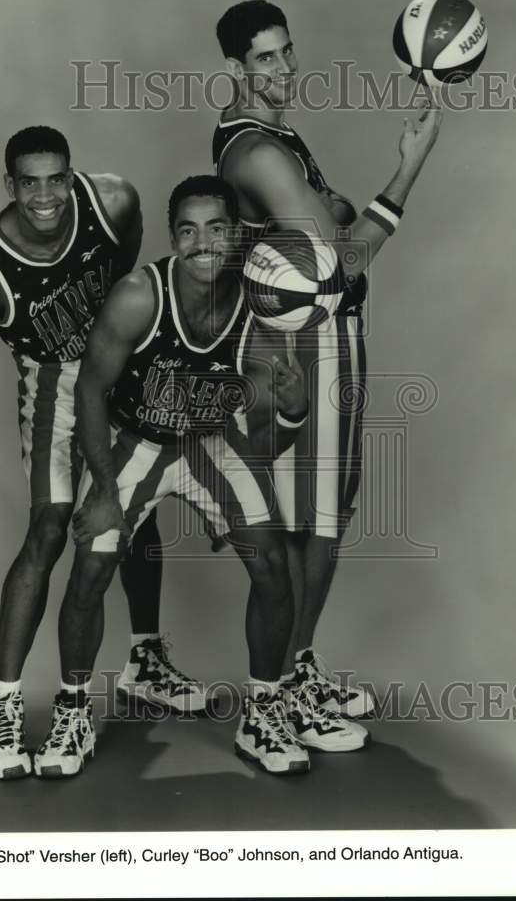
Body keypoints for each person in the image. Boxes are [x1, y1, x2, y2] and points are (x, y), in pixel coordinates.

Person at [0, 126, 206, 780]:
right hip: (54, 387)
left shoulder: (112, 202)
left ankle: (144, 660)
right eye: (29, 181)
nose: (45, 195)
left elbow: (128, 271)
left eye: (56, 179)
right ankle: (3, 707)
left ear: (71, 175)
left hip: (122, 366)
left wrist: (125, 340)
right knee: (49, 529)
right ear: (9, 184)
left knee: (135, 511)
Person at [212, 0, 442, 743]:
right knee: (303, 524)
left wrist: (337, 214)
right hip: (299, 351)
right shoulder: (255, 153)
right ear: (234, 70)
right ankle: (271, 697)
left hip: (330, 341)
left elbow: (327, 226)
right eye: (264, 60)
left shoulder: (276, 133)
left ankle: (296, 667)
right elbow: (339, 264)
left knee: (326, 518)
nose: (282, 69)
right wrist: (407, 169)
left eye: (285, 52)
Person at [46, 175, 317, 777]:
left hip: (212, 442)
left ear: (236, 234)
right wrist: (105, 492)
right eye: (188, 231)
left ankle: (263, 713)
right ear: (174, 237)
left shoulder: (261, 304)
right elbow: (90, 388)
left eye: (216, 228)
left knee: (273, 562)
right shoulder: (140, 295)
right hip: (137, 441)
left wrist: (295, 407)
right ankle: (71, 711)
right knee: (92, 558)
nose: (201, 244)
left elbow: (277, 442)